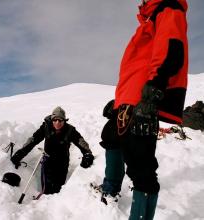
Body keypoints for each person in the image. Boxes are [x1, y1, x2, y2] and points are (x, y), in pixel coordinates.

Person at [114, 0, 188, 219]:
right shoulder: (150, 17)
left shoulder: (167, 7)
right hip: (130, 102)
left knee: (142, 170)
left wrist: (151, 95)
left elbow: (171, 50)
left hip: (141, 102)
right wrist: (118, 103)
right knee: (137, 167)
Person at [11, 106, 94, 195]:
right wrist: (20, 154)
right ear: (52, 119)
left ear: (64, 121)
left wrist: (87, 154)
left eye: (60, 120)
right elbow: (33, 140)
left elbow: (80, 141)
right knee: (46, 189)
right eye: (55, 120)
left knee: (58, 190)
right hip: (47, 161)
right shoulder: (46, 127)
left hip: (62, 163)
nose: (57, 122)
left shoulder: (70, 130)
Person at [92, 100, 125, 205]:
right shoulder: (117, 120)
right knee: (114, 168)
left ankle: (110, 193)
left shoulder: (120, 117)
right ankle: (109, 188)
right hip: (113, 143)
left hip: (115, 143)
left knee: (113, 168)